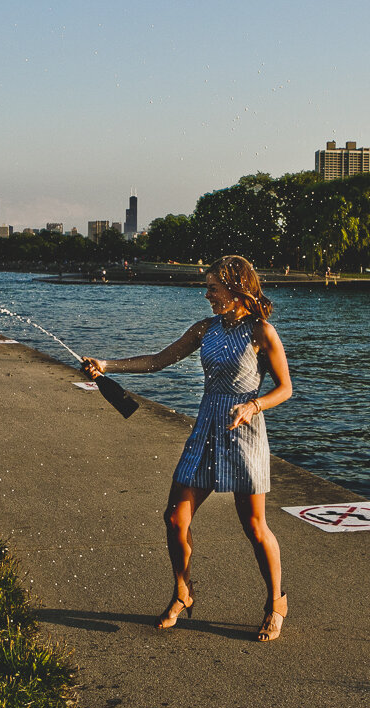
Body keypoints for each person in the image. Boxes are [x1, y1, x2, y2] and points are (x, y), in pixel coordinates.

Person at [82, 255, 293, 642]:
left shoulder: (262, 332)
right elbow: (159, 360)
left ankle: (275, 602)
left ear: (235, 289)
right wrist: (106, 365)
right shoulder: (204, 329)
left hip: (244, 429)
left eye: (213, 288)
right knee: (175, 518)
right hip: (205, 429)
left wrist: (254, 405)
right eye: (208, 288)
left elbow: (285, 388)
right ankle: (183, 591)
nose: (208, 295)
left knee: (254, 525)